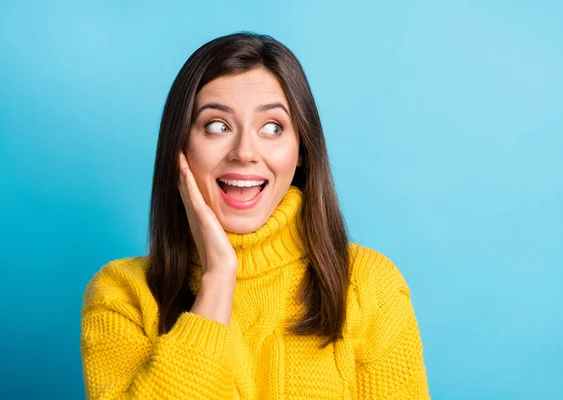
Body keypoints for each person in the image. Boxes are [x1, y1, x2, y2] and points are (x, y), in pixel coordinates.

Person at [80, 31, 430, 399]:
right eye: (217, 126)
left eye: (272, 127)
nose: (245, 152)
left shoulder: (370, 287)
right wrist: (218, 277)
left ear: (301, 152)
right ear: (180, 147)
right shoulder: (122, 295)